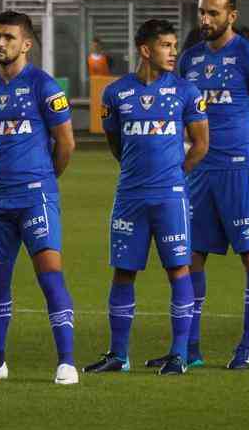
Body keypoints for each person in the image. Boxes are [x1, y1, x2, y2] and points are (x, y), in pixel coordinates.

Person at [84, 19, 209, 376]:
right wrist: (137, 174)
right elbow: (115, 142)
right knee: (123, 272)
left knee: (178, 270)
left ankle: (179, 354)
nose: (173, 52)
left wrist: (174, 175)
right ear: (145, 50)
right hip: (130, 196)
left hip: (170, 197)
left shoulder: (186, 91)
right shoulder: (115, 93)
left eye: (174, 45)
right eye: (166, 45)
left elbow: (201, 145)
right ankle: (118, 356)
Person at [172, 0, 249, 370]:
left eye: (214, 13)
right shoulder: (189, 60)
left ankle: (248, 347)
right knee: (191, 257)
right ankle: (191, 347)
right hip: (200, 172)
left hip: (240, 170)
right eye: (202, 12)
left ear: (232, 16)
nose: (205, 20)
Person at [0, 12, 77, 385]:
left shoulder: (44, 86)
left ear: (26, 44)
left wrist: (43, 181)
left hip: (35, 198)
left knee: (50, 278)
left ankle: (66, 363)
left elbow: (66, 144)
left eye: (8, 38)